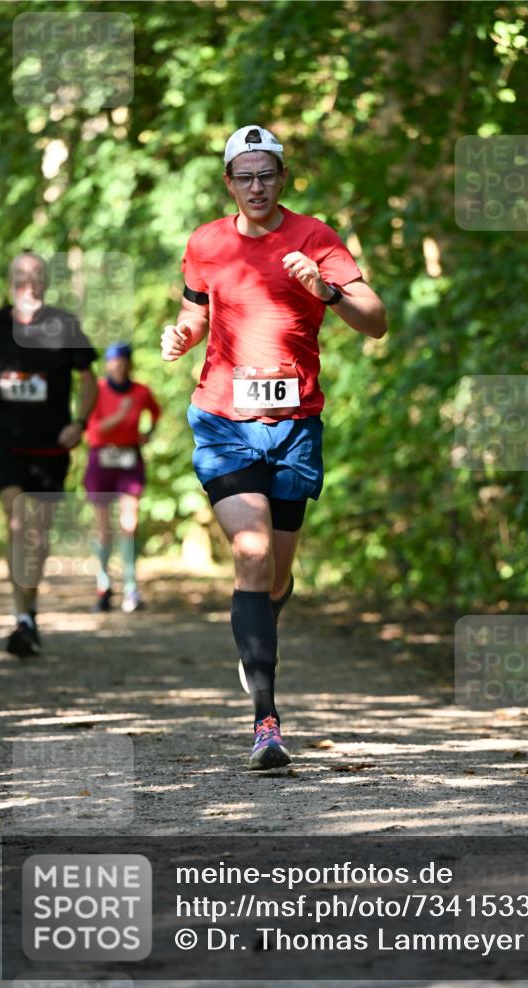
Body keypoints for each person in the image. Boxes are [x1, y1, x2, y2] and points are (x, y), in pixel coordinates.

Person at [161, 125, 386, 770]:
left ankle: (258, 623)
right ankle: (266, 721)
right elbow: (196, 312)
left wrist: (326, 289)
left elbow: (376, 322)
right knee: (252, 555)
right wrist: (181, 335)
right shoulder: (206, 242)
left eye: (268, 175)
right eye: (245, 176)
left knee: (277, 575)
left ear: (282, 178)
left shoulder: (316, 239)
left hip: (294, 427)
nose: (257, 186)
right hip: (224, 421)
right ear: (229, 182)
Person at [0, 252, 98, 656]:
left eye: (36, 275)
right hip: (4, 441)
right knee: (18, 520)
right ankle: (22, 618)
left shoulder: (65, 324)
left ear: (46, 282)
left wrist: (79, 423)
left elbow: (88, 381)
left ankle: (29, 611)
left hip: (52, 444)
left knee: (38, 533)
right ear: (10, 282)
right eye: (21, 275)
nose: (29, 282)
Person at [84, 342, 161, 612]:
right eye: (113, 360)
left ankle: (131, 588)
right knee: (104, 529)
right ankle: (103, 586)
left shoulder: (141, 391)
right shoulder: (98, 390)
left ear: (129, 363)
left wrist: (147, 433)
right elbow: (95, 431)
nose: (118, 365)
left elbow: (156, 411)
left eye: (123, 360)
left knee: (129, 524)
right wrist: (120, 414)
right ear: (107, 364)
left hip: (130, 460)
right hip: (101, 459)